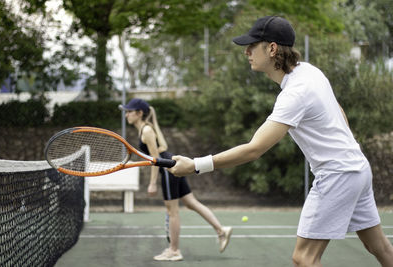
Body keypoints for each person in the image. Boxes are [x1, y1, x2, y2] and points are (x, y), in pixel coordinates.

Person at [169, 16, 393, 266]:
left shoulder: (294, 93)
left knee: (303, 259)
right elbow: (338, 110)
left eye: (252, 46)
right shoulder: (310, 71)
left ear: (272, 49)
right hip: (358, 169)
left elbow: (254, 150)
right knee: (379, 247)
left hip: (337, 175)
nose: (247, 52)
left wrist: (196, 165)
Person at [119, 98, 232, 261]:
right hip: (170, 165)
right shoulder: (144, 129)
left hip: (168, 170)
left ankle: (174, 250)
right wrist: (134, 163)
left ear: (139, 113)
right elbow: (154, 157)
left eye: (129, 112)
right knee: (190, 202)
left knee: (173, 212)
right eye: (126, 112)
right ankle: (221, 231)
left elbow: (155, 159)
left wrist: (152, 183)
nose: (127, 115)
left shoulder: (146, 131)